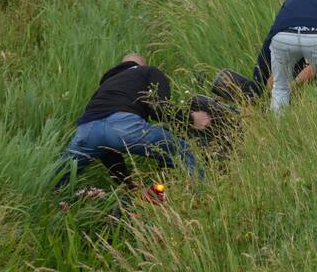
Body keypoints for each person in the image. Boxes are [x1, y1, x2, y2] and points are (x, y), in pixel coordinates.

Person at [55, 53, 206, 188]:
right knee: (182, 150)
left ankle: (52, 204)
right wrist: (192, 118)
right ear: (141, 64)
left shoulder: (105, 86)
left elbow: (107, 148)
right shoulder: (148, 71)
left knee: (59, 178)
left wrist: (126, 183)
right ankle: (202, 193)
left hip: (86, 130)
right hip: (124, 125)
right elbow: (159, 108)